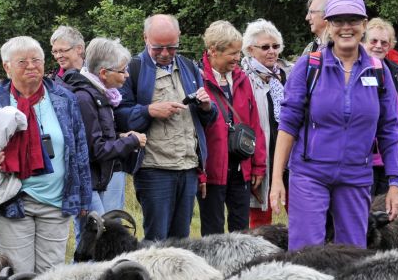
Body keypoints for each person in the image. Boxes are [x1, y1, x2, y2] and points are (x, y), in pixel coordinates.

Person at [270, 0, 398, 251]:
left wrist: (395, 183)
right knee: (306, 253)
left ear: (363, 24)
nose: (346, 27)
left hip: (356, 174)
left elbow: (390, 130)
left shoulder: (378, 71)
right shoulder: (309, 66)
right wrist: (276, 181)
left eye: (352, 20)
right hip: (310, 174)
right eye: (338, 21)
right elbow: (288, 125)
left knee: (352, 253)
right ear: (328, 26)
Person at [0, 36, 91, 273]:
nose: (31, 66)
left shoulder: (64, 98)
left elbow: (79, 149)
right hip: (11, 201)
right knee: (18, 276)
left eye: (36, 60)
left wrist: (83, 197)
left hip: (56, 200)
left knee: (52, 276)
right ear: (6, 67)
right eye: (22, 62)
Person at [114, 14, 216, 242]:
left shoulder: (190, 68)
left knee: (182, 241)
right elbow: (118, 117)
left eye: (171, 47)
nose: (165, 53)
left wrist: (208, 107)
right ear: (144, 39)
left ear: (178, 39)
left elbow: (207, 121)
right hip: (154, 169)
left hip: (188, 167)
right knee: (156, 241)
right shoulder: (132, 69)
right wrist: (149, 111)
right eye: (158, 48)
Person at [61, 38, 147, 247]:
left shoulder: (101, 94)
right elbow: (95, 150)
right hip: (87, 181)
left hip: (97, 180)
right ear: (103, 73)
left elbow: (96, 136)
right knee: (96, 238)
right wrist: (132, 141)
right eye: (122, 71)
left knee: (96, 238)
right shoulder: (85, 98)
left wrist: (119, 137)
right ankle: (81, 279)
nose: (127, 75)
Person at [199, 20, 266, 235]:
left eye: (239, 52)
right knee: (213, 233)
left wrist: (258, 166)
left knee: (242, 232)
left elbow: (254, 124)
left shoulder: (241, 79)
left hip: (240, 169)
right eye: (232, 53)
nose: (238, 58)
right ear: (213, 51)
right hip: (212, 170)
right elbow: (194, 132)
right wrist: (200, 174)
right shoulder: (197, 79)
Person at [240, 19, 287, 228]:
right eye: (265, 47)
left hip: (286, 154)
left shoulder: (283, 75)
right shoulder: (242, 78)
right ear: (250, 49)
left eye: (275, 46)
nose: (272, 52)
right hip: (258, 155)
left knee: (298, 211)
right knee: (259, 216)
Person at [364, 17, 398, 195]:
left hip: (391, 160)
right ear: (363, 42)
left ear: (390, 45)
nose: (378, 46)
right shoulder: (353, 71)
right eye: (373, 41)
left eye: (384, 42)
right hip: (363, 162)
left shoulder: (396, 73)